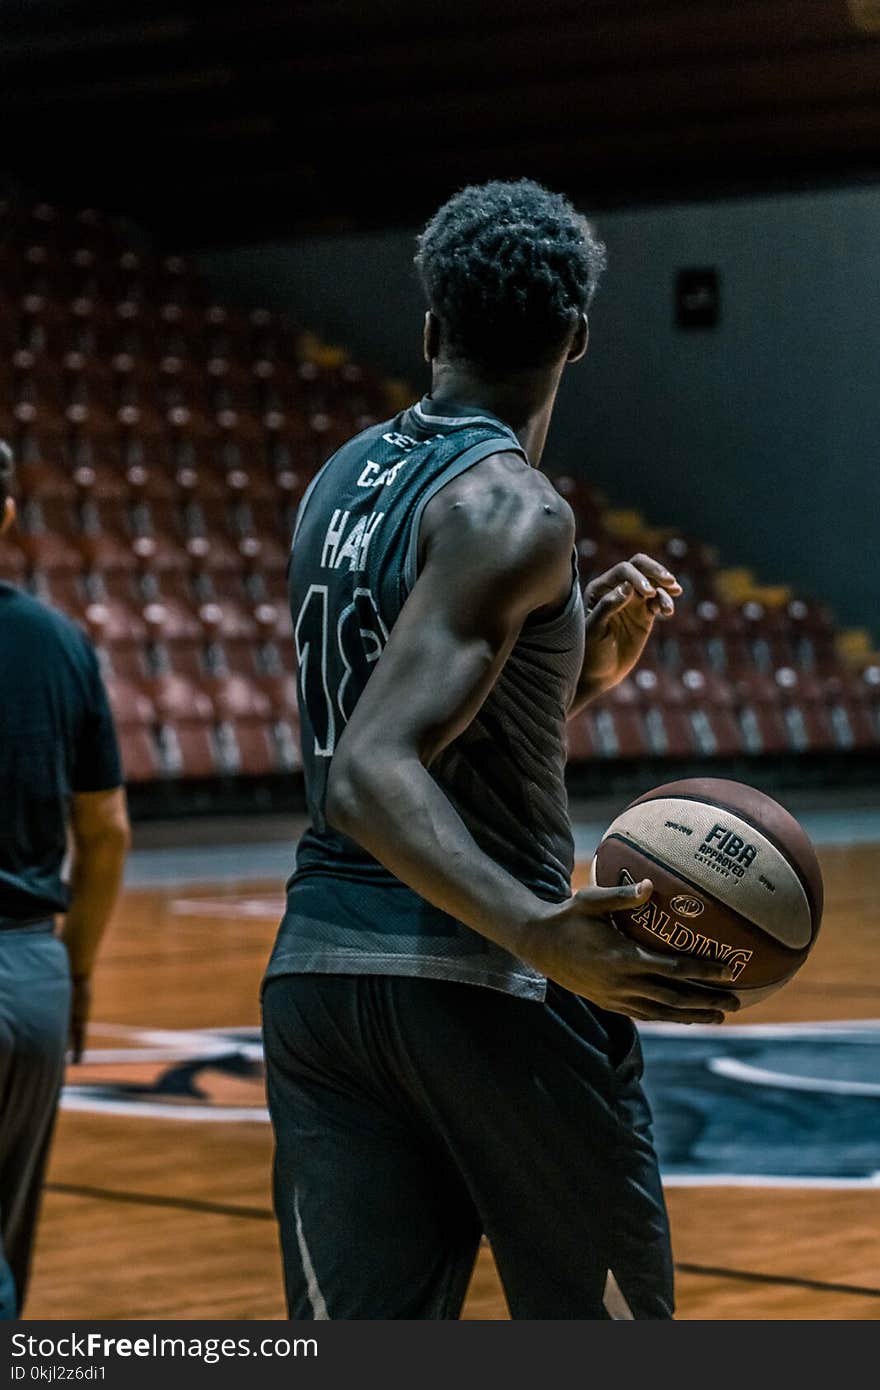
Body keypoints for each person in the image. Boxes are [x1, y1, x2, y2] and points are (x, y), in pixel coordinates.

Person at [261, 179, 740, 1320]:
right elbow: (375, 773)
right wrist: (537, 931)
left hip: (321, 987)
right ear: (576, 338)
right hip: (485, 990)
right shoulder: (516, 511)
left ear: (431, 330)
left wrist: (568, 677)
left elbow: (392, 722)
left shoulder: (338, 484)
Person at [0, 440, 130, 1319]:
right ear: (7, 514)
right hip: (28, 979)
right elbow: (108, 832)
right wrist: (76, 971)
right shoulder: (60, 645)